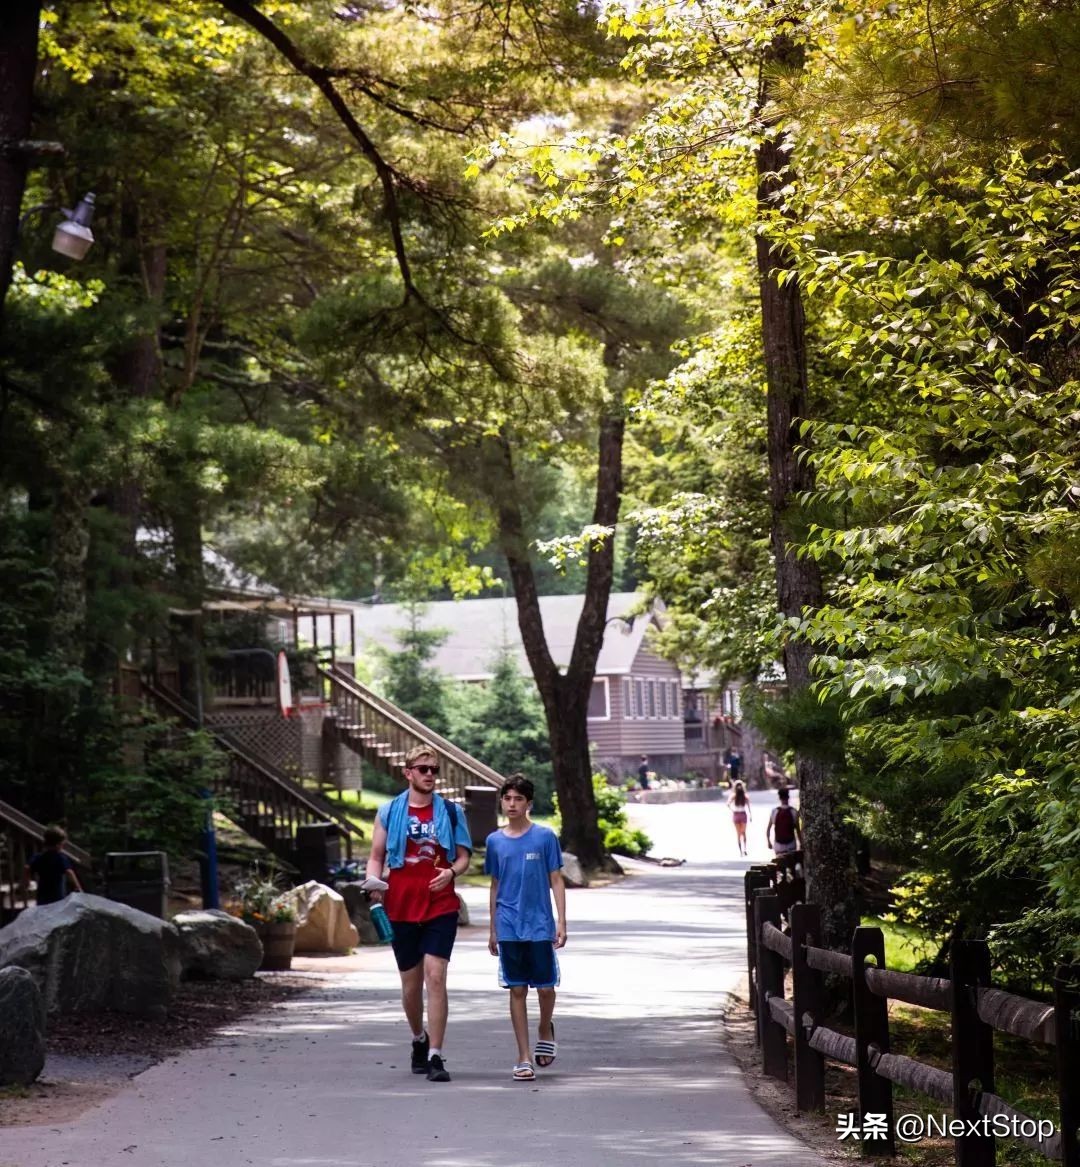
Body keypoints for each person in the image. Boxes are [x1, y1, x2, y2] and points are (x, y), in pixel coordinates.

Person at [365, 744, 473, 1083]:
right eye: (423, 768)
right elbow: (376, 855)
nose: (429, 775)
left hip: (440, 905)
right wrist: (374, 883)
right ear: (408, 772)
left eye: (434, 770)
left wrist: (452, 873)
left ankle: (436, 1055)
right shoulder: (388, 812)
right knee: (411, 986)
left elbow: (463, 856)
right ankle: (418, 1038)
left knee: (435, 975)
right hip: (400, 906)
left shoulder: (452, 812)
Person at [485, 774, 567, 1082]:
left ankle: (545, 1026)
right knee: (517, 988)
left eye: (519, 799)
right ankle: (523, 1056)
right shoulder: (495, 841)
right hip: (508, 924)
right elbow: (494, 885)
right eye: (507, 798)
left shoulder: (545, 837)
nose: (512, 804)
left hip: (538, 923)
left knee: (545, 987)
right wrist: (492, 928)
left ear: (529, 804)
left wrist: (562, 921)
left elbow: (556, 880)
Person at [23, 826, 83, 906]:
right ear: (58, 845)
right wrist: (78, 887)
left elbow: (27, 868)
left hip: (42, 894)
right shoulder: (61, 857)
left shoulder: (38, 857)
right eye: (62, 844)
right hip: (57, 895)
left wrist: (27, 882)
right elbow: (69, 872)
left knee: (43, 911)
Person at [766, 787, 802, 856]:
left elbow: (768, 829)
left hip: (778, 845)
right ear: (788, 797)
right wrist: (801, 843)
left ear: (779, 798)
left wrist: (769, 842)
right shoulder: (793, 811)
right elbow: (798, 830)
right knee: (791, 865)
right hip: (791, 844)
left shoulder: (774, 812)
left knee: (779, 865)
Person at [727, 781, 751, 857]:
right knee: (738, 833)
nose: (739, 787)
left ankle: (745, 849)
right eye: (737, 786)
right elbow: (728, 804)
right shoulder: (734, 796)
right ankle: (741, 851)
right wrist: (732, 810)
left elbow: (749, 806)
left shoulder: (745, 796)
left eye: (740, 785)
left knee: (743, 832)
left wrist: (750, 815)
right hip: (736, 814)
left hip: (743, 814)